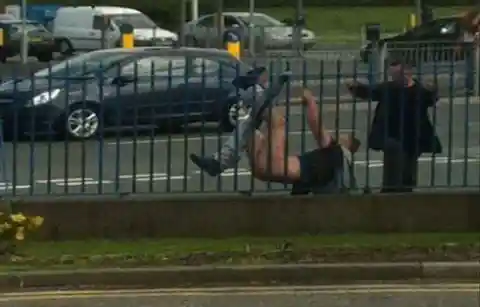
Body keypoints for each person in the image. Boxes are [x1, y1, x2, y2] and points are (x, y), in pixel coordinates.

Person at [346, 59, 442, 193]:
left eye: (397, 74)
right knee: (393, 171)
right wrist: (355, 87)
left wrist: (434, 88)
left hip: (413, 136)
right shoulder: (388, 88)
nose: (395, 78)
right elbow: (370, 92)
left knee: (408, 173)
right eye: (393, 75)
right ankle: (390, 193)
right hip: (391, 136)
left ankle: (405, 193)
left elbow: (432, 97)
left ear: (408, 72)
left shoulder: (419, 90)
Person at [245, 88, 360, 193]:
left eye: (345, 136)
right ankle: (244, 116)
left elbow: (317, 126)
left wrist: (310, 101)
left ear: (347, 144)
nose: (339, 136)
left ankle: (254, 101)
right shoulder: (336, 166)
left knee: (279, 123)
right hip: (267, 169)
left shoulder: (337, 152)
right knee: (252, 132)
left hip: (275, 165)